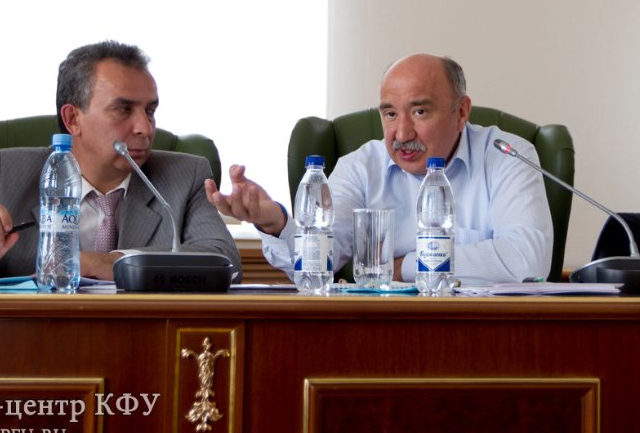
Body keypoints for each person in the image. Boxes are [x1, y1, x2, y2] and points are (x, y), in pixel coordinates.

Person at [0, 41, 241, 282]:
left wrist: (108, 263)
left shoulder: (185, 175)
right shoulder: (9, 173)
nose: (145, 128)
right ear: (72, 119)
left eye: (150, 110)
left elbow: (224, 260)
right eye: (123, 109)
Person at [206, 53, 553, 285]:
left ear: (461, 112)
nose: (402, 134)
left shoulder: (507, 156)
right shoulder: (360, 168)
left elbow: (526, 262)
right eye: (390, 114)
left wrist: (405, 267)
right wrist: (276, 223)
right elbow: (316, 266)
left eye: (420, 112)